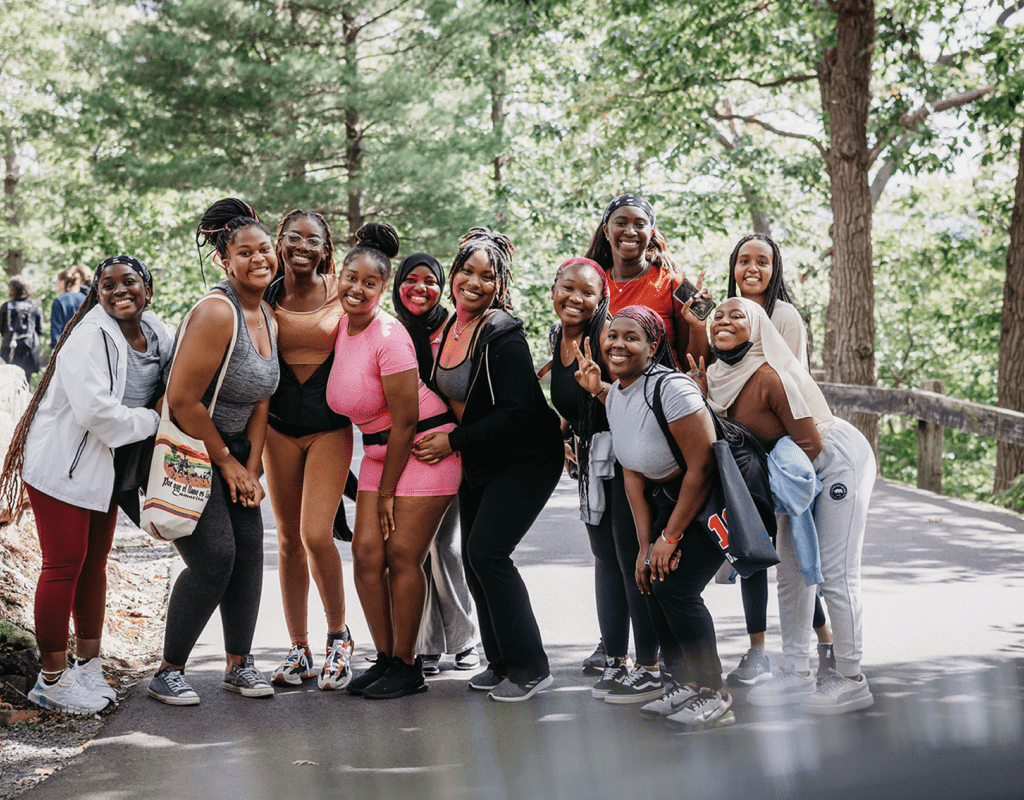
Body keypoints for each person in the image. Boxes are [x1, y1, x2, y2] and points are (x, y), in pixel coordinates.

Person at [0, 255, 173, 714]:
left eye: (129, 281)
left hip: (105, 469)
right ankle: (51, 680)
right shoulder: (87, 338)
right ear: (95, 293)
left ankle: (87, 665)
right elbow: (98, 413)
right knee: (63, 566)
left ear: (147, 289)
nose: (118, 290)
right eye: (107, 284)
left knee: (94, 564)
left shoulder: (156, 332)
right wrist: (157, 419)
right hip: (64, 466)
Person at [701, 297, 875, 714]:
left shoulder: (770, 376)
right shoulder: (714, 375)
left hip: (832, 462)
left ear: (758, 327)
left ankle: (851, 677)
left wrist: (784, 494)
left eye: (737, 315)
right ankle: (796, 671)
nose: (724, 320)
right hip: (787, 471)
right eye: (718, 316)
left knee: (835, 572)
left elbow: (811, 443)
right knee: (791, 574)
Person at [414, 227, 563, 703]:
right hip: (480, 457)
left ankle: (531, 668)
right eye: (467, 272)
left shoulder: (502, 333)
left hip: (526, 457)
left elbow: (521, 411)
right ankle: (499, 662)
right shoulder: (447, 330)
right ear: (454, 273)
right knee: (477, 562)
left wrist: (453, 439)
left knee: (488, 555)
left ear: (500, 285)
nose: (474, 283)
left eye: (487, 276)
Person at [573, 305, 735, 731]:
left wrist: (671, 536)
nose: (618, 344)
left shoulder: (673, 389)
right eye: (612, 336)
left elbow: (702, 467)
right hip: (665, 500)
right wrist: (645, 546)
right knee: (652, 581)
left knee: (678, 588)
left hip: (704, 502)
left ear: (654, 345)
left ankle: (715, 694)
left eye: (631, 337)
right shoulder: (619, 394)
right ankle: (685, 683)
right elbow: (632, 471)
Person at [148, 198, 280, 706]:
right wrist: (225, 461)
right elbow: (182, 399)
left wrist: (250, 468)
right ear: (225, 260)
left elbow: (263, 398)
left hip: (236, 453)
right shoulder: (215, 311)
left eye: (266, 249)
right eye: (245, 252)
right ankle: (169, 670)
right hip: (194, 451)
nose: (260, 259)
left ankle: (239, 666)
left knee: (248, 555)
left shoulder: (267, 314)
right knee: (214, 557)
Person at [326, 223, 461, 700]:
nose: (356, 288)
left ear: (384, 290)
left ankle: (409, 665)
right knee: (365, 557)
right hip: (380, 453)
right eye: (350, 278)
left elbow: (405, 421)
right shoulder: (342, 323)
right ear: (338, 278)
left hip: (423, 447)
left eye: (369, 283)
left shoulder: (390, 335)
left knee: (403, 556)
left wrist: (385, 494)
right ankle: (385, 659)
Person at [721, 233, 834, 686]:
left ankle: (825, 642)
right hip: (743, 445)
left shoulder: (783, 316)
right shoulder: (726, 311)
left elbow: (792, 379)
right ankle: (756, 651)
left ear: (775, 268)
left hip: (784, 444)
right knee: (752, 545)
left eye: (762, 261)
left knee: (792, 554)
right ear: (733, 266)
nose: (752, 268)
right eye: (744, 260)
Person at [547, 258, 662, 704]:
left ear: (603, 299)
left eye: (587, 293)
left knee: (628, 556)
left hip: (624, 457)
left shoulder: (607, 337)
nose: (576, 298)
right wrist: (565, 433)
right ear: (554, 289)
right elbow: (567, 398)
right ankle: (616, 659)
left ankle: (649, 665)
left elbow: (632, 396)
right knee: (604, 557)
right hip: (590, 456)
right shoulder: (559, 335)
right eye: (568, 288)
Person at [261, 209, 356, 691]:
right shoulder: (263, 293)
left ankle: (338, 638)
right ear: (280, 242)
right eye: (293, 237)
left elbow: (378, 338)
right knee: (286, 538)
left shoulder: (343, 289)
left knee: (316, 533)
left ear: (325, 249)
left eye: (313, 240)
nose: (302, 245)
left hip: (329, 428)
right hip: (277, 428)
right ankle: (297, 648)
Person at [392, 252, 480, 675]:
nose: (420, 288)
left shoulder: (453, 329)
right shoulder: (386, 329)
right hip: (399, 451)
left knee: (443, 544)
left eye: (430, 280)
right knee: (411, 552)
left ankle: (463, 639)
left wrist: (453, 441)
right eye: (411, 279)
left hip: (448, 448)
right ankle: (424, 643)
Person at [584, 193, 708, 370]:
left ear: (651, 233)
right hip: (608, 393)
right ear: (606, 231)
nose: (630, 231)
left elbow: (696, 365)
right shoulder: (593, 284)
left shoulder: (676, 283)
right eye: (621, 223)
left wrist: (698, 327)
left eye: (639, 225)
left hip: (664, 390)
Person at [1, 276, 45, 382]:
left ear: (12, 290)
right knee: (27, 383)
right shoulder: (34, 307)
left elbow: (2, 330)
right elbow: (40, 330)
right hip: (29, 351)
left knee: (8, 383)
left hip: (10, 351)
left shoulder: (6, 307)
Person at [50, 264, 90, 349]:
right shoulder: (86, 298)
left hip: (67, 347)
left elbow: (56, 329)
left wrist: (55, 349)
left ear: (62, 282)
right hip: (86, 344)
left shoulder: (59, 301)